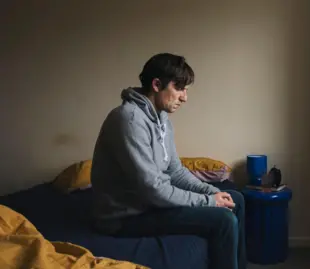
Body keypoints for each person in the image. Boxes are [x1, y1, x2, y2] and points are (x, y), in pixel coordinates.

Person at [90, 53, 246, 269]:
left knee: (235, 198)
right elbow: (153, 189)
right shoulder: (129, 119)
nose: (185, 97)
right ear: (156, 84)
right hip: (125, 217)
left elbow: (175, 172)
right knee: (223, 220)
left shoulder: (161, 119)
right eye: (179, 88)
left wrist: (211, 192)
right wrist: (210, 202)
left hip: (149, 205)